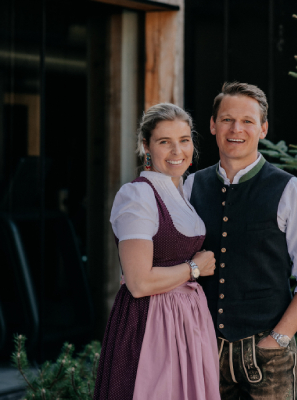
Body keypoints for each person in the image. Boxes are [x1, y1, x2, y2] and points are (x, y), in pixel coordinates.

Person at [183, 82, 297, 400]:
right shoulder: (190, 186)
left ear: (263, 129)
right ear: (212, 125)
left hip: (268, 357)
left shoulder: (290, 190)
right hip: (204, 351)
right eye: (226, 119)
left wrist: (278, 339)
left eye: (248, 121)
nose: (236, 129)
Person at [94, 103, 221, 400]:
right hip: (150, 323)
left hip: (188, 321)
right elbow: (139, 284)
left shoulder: (183, 191)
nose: (177, 151)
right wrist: (194, 269)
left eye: (184, 140)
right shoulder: (137, 195)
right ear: (146, 146)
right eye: (165, 142)